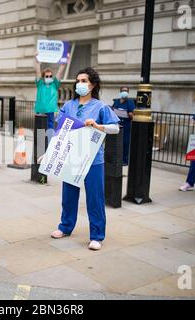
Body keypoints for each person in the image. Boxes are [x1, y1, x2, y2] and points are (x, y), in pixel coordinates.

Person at [50, 67, 120, 251]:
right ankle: (65, 227)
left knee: (95, 198)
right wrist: (51, 152)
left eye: (84, 80)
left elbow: (116, 128)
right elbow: (61, 130)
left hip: (93, 159)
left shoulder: (101, 107)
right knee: (69, 195)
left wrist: (98, 125)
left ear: (93, 84)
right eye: (78, 80)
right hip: (71, 157)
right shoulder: (68, 106)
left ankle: (97, 235)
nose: (79, 84)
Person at [34, 52, 69, 140]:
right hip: (40, 110)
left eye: (50, 76)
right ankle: (40, 146)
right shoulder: (40, 83)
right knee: (40, 130)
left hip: (50, 111)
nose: (49, 77)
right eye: (47, 76)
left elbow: (60, 73)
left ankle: (50, 145)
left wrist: (64, 62)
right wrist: (37, 62)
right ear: (43, 77)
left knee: (50, 130)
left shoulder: (54, 84)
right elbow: (38, 72)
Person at [111, 86, 135, 166]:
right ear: (120, 91)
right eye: (123, 90)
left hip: (126, 125)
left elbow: (132, 114)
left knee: (125, 142)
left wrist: (130, 114)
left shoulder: (130, 102)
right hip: (117, 124)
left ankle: (125, 160)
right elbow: (113, 110)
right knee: (116, 142)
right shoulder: (117, 101)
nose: (124, 92)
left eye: (126, 91)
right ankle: (116, 159)